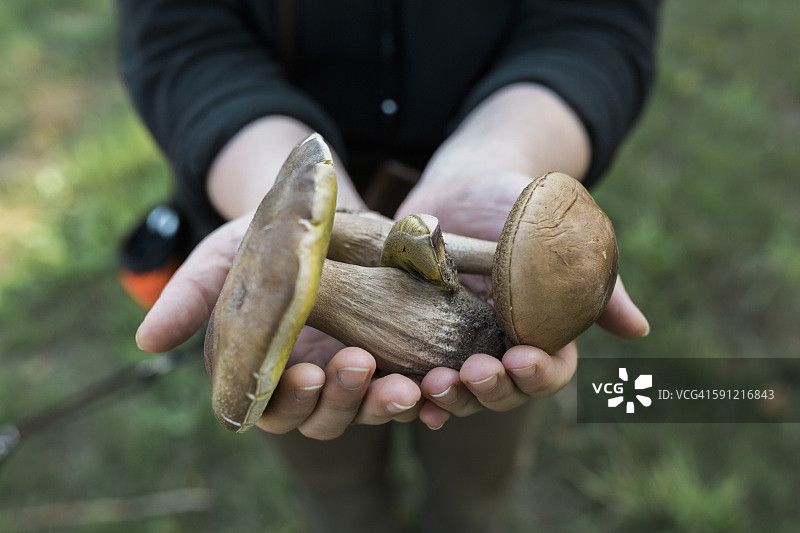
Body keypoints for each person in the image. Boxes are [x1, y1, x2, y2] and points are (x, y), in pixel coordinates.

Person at [118, 1, 657, 530]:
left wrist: (503, 152)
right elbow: (178, 35)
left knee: (476, 479)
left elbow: (597, 20)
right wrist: (261, 174)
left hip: (484, 274)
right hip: (272, 192)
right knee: (332, 474)